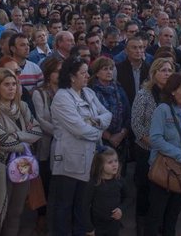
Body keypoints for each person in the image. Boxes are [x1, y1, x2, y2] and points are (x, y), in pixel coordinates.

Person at [49, 56, 112, 236]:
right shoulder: (62, 98)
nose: (87, 76)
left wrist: (95, 121)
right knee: (64, 206)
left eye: (87, 72)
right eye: (83, 73)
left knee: (82, 206)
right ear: (71, 77)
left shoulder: (88, 93)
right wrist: (99, 131)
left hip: (89, 159)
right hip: (69, 161)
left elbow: (107, 114)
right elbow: (80, 129)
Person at [0, 68, 43, 236]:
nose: (11, 88)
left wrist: (15, 135)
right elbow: (2, 142)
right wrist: (24, 139)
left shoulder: (22, 107)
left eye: (14, 84)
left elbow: (37, 132)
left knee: (16, 213)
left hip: (22, 165)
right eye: (6, 84)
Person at [144, 73, 181, 236]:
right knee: (155, 217)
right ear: (173, 91)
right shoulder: (163, 110)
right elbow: (155, 139)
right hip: (165, 170)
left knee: (172, 218)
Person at [130, 57, 174, 227]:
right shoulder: (144, 95)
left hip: (168, 152)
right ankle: (142, 227)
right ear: (154, 73)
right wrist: (156, 145)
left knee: (163, 190)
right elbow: (136, 124)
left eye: (169, 70)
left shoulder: (173, 95)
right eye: (163, 70)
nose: (167, 74)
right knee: (145, 189)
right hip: (146, 150)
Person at [32, 56, 60, 232]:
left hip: (63, 144)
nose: (60, 74)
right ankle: (42, 216)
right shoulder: (39, 92)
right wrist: (60, 133)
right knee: (45, 180)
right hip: (46, 143)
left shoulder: (67, 90)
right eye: (57, 70)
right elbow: (41, 120)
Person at [90, 57, 131, 172]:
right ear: (97, 73)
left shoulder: (118, 88)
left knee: (120, 173)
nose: (109, 72)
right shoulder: (91, 91)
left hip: (121, 138)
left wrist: (122, 133)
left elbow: (128, 112)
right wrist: (109, 136)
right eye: (105, 69)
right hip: (102, 140)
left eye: (111, 69)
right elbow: (92, 118)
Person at [82, 147, 128, 236]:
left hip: (114, 225)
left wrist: (121, 209)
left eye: (116, 161)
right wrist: (89, 227)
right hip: (96, 226)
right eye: (110, 162)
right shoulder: (94, 183)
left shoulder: (119, 180)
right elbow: (84, 205)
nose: (114, 164)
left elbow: (128, 197)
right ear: (100, 165)